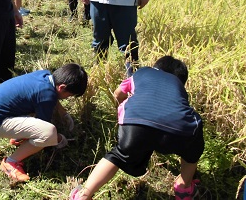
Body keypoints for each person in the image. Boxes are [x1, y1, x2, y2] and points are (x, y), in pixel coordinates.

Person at [69, 56, 204, 200]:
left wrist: (126, 110)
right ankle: (184, 187)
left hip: (135, 123)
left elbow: (118, 93)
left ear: (156, 66)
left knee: (117, 155)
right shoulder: (178, 86)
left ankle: (84, 195)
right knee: (192, 152)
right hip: (180, 131)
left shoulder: (143, 72)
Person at [0, 63, 88, 182]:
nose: (67, 98)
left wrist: (64, 114)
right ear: (61, 87)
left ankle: (18, 137)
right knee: (48, 133)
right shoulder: (47, 95)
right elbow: (45, 129)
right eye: (69, 95)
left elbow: (48, 97)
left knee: (39, 121)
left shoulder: (45, 75)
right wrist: (60, 139)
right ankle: (11, 162)